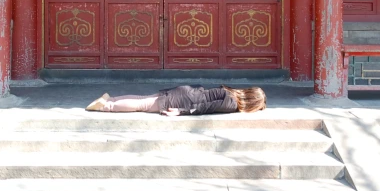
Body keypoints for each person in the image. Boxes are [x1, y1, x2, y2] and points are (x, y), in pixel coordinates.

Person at [85, 85, 266, 116]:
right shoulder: (231, 104)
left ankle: (110, 99)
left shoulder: (231, 93)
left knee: (145, 98)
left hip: (186, 91)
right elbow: (206, 108)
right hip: (185, 101)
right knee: (144, 105)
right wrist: (181, 111)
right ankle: (107, 106)